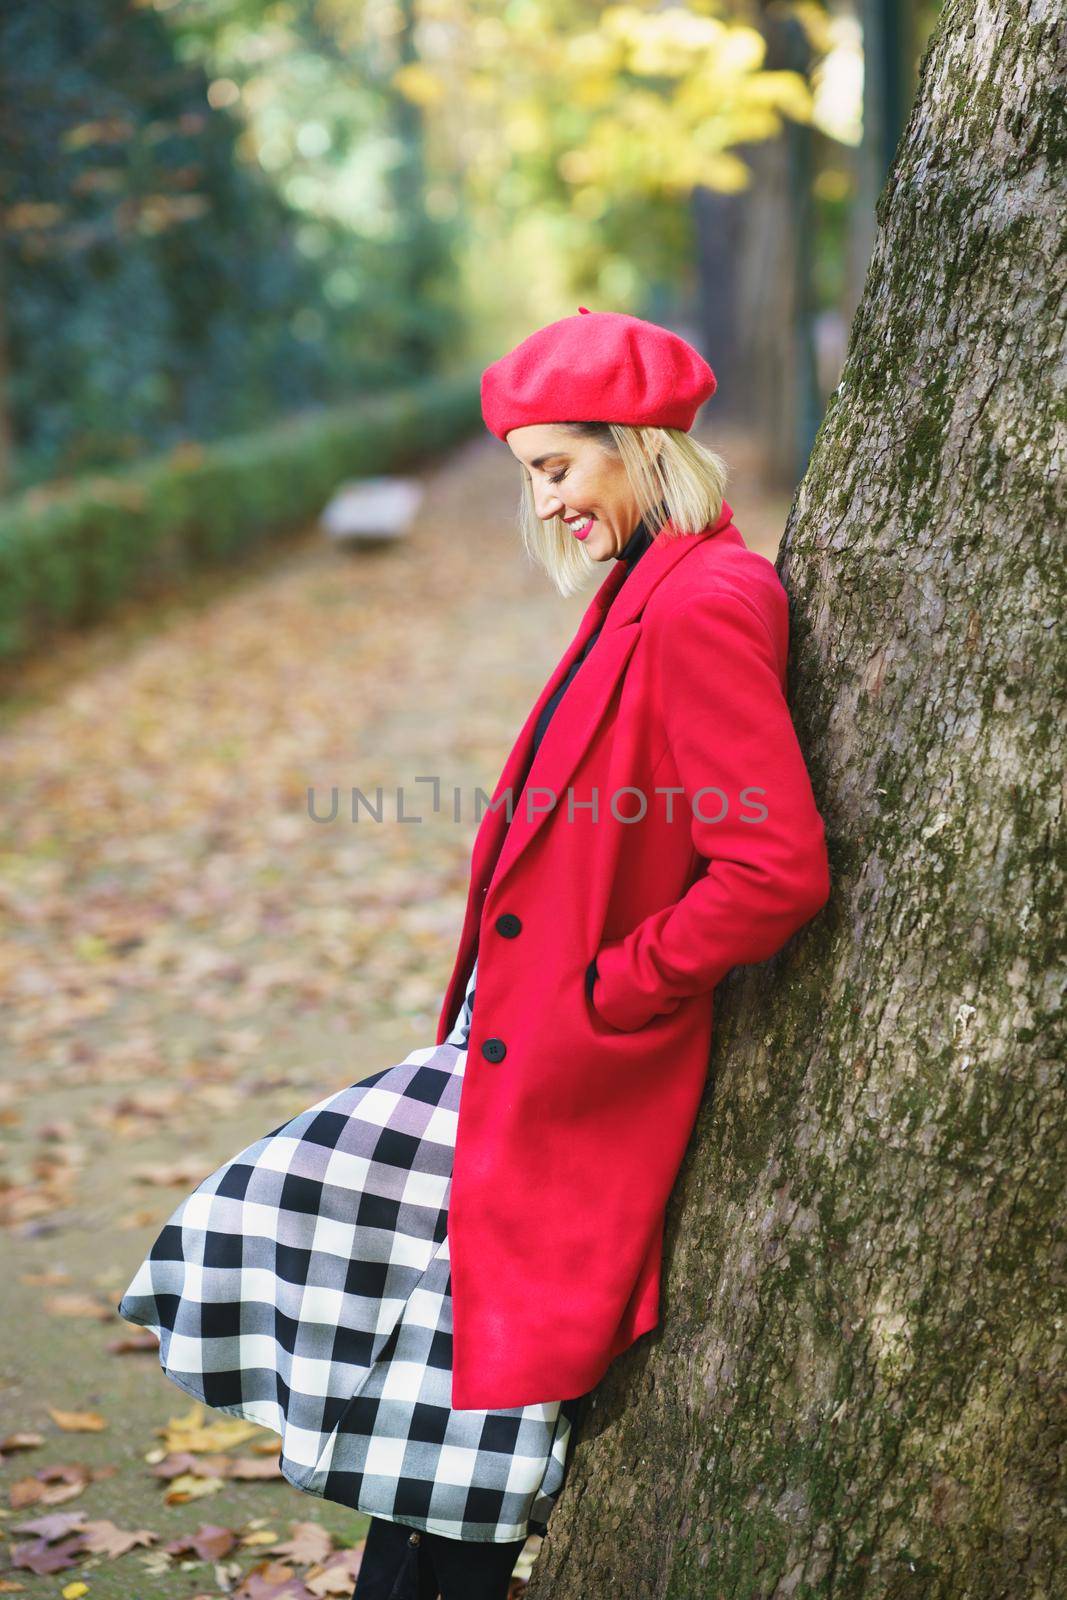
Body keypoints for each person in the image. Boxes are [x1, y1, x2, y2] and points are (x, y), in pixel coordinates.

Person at [117, 307, 832, 1600]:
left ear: (639, 446)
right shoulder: (644, 590)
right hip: (506, 1057)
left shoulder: (704, 602)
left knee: (462, 1438)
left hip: (570, 1067)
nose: (547, 499)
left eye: (560, 466)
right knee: (314, 1257)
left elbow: (771, 868)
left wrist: (609, 993)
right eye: (529, 475)